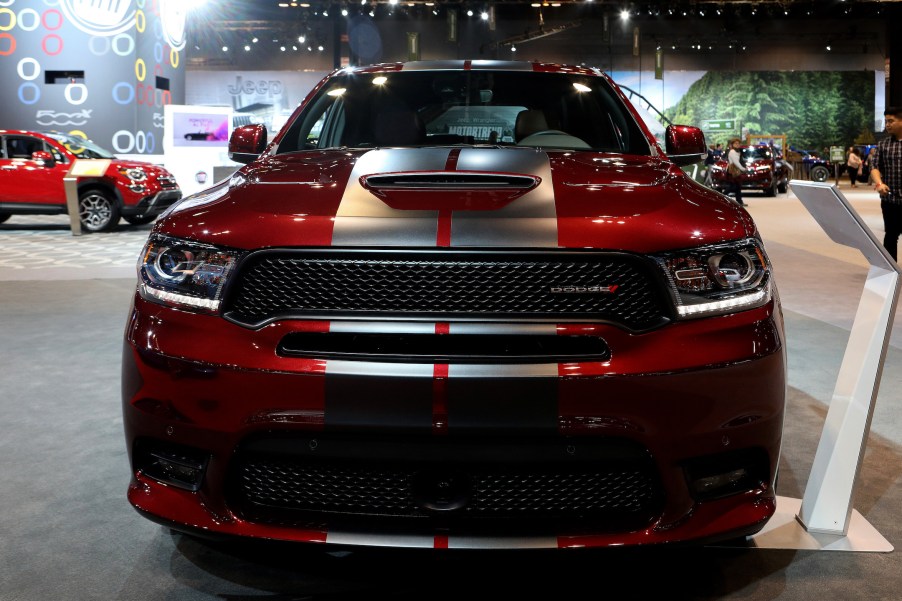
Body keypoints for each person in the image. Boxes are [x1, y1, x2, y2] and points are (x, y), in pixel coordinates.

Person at [872, 107, 902, 260]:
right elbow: (875, 168)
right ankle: (891, 271)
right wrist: (879, 184)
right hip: (890, 199)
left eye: (891, 121)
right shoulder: (883, 145)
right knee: (891, 236)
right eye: (886, 121)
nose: (888, 125)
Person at [725, 138, 747, 206]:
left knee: (737, 186)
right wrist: (742, 169)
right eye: (735, 143)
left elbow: (740, 161)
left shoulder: (738, 151)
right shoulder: (732, 152)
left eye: (738, 143)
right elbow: (736, 162)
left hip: (736, 170)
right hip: (733, 171)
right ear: (732, 144)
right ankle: (721, 196)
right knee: (733, 186)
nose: (737, 145)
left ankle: (739, 201)